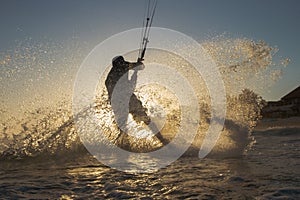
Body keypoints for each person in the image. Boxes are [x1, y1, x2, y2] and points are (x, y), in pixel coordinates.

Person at [105, 56, 167, 145]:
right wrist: (137, 66)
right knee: (144, 120)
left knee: (125, 126)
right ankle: (162, 140)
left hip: (119, 101)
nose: (124, 64)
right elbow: (140, 67)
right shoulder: (122, 66)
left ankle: (123, 146)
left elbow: (137, 71)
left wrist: (136, 70)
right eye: (122, 62)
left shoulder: (111, 76)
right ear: (117, 64)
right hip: (125, 99)